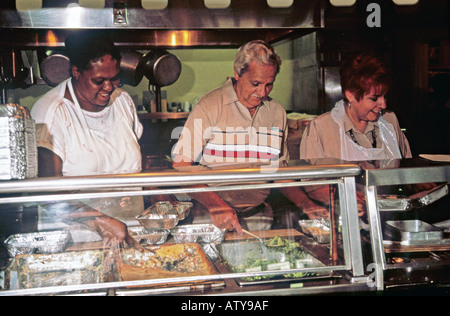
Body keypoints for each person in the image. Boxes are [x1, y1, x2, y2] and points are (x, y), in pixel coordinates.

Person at [172, 40, 327, 234]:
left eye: (269, 85)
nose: (262, 92)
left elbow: (280, 174)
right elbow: (181, 166)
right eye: (255, 83)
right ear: (238, 73)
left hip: (260, 219)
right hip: (212, 219)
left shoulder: (276, 112)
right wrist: (216, 206)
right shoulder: (209, 106)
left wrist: (307, 204)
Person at [31, 32, 143, 249]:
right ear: (76, 72)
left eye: (115, 78)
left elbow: (139, 158)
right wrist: (100, 221)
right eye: (99, 80)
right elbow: (47, 191)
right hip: (74, 240)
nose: (109, 88)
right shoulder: (52, 112)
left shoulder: (123, 102)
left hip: (128, 231)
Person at [300, 52, 412, 161]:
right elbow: (312, 178)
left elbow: (408, 170)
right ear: (351, 95)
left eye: (385, 96)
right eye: (374, 98)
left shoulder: (390, 120)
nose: (383, 104)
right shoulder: (321, 128)